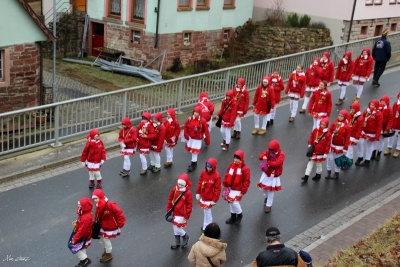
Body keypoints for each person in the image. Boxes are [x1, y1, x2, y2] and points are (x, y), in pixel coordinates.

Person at [92, 189, 126, 263]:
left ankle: (108, 253)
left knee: (106, 239)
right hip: (103, 225)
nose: (95, 200)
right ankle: (106, 249)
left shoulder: (110, 204)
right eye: (94, 199)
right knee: (101, 239)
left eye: (96, 198)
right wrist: (94, 221)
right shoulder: (98, 205)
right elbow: (97, 215)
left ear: (100, 197)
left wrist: (121, 223)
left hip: (110, 225)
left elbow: (119, 212)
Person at [222, 150, 250, 225]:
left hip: (238, 189)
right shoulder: (232, 165)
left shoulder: (245, 168)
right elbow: (227, 175)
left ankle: (239, 214)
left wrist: (243, 191)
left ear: (241, 159)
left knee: (234, 202)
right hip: (231, 187)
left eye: (238, 158)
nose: (235, 160)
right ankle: (233, 216)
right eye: (235, 158)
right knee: (231, 202)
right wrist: (224, 184)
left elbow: (246, 181)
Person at [257, 140, 285, 213]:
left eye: (272, 150)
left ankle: (269, 205)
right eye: (270, 150)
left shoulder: (281, 154)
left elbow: (277, 163)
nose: (270, 152)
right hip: (267, 173)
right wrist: (262, 156)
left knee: (270, 191)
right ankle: (267, 197)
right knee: (262, 188)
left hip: (274, 175)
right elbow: (261, 155)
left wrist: (268, 163)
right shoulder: (268, 152)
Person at [301, 118, 331, 182]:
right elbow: (311, 137)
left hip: (320, 152)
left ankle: (318, 174)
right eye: (321, 124)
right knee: (310, 163)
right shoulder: (315, 130)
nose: (322, 126)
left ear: (326, 125)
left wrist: (326, 153)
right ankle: (306, 176)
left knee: (318, 164)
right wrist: (310, 144)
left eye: (324, 125)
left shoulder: (328, 134)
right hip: (314, 151)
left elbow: (328, 145)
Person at [167, 173, 193, 249]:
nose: (180, 186)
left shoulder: (188, 193)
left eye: (182, 184)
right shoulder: (174, 189)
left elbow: (189, 205)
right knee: (174, 226)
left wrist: (186, 216)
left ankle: (185, 236)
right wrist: (168, 210)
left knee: (177, 227)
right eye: (179, 184)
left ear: (185, 184)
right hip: (175, 212)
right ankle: (177, 241)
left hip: (182, 213)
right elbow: (170, 199)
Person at [195, 158, 221, 232]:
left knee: (207, 213)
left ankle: (208, 227)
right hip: (204, 196)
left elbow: (217, 189)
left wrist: (214, 200)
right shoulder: (203, 173)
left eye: (210, 167)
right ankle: (206, 226)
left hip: (209, 198)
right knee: (206, 212)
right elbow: (200, 183)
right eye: (207, 166)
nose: (208, 168)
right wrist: (198, 192)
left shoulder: (216, 176)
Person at [355, 99, 383, 167]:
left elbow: (379, 126)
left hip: (372, 132)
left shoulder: (378, 114)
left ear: (376, 106)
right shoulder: (367, 111)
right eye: (371, 104)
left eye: (373, 105)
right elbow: (362, 119)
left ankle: (367, 160)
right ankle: (360, 156)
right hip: (364, 130)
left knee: (369, 146)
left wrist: (377, 136)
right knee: (360, 142)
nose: (371, 106)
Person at [184, 106, 211, 172]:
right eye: (195, 112)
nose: (195, 113)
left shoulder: (202, 121)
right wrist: (186, 134)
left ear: (199, 113)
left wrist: (207, 141)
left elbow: (206, 131)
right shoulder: (190, 119)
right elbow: (185, 126)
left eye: (197, 112)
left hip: (197, 139)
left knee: (194, 152)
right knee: (192, 151)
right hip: (191, 138)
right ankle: (194, 163)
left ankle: (193, 164)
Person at [325, 110, 350, 179]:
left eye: (342, 116)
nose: (340, 117)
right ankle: (328, 171)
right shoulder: (334, 123)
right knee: (329, 159)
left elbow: (347, 137)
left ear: (344, 117)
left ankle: (336, 173)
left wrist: (345, 147)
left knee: (338, 160)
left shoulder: (347, 126)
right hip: (332, 144)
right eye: (339, 115)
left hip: (340, 146)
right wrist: (333, 133)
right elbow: (329, 132)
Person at [70, 197, 93, 267]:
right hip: (85, 235)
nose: (78, 206)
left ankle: (85, 259)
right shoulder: (85, 214)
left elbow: (82, 230)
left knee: (75, 247)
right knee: (82, 248)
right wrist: (77, 222)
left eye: (80, 205)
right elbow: (82, 222)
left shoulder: (85, 217)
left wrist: (75, 239)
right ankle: (83, 262)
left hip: (83, 236)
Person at [373, 95, 393, 161]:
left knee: (381, 141)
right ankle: (373, 153)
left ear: (386, 102)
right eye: (381, 101)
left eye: (383, 101)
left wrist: (387, 129)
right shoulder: (378, 108)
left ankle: (379, 153)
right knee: (375, 141)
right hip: (377, 127)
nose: (382, 102)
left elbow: (390, 120)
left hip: (383, 128)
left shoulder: (389, 109)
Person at [384, 92, 400, 158]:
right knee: (391, 136)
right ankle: (389, 148)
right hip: (394, 122)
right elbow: (393, 113)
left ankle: (398, 149)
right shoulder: (395, 104)